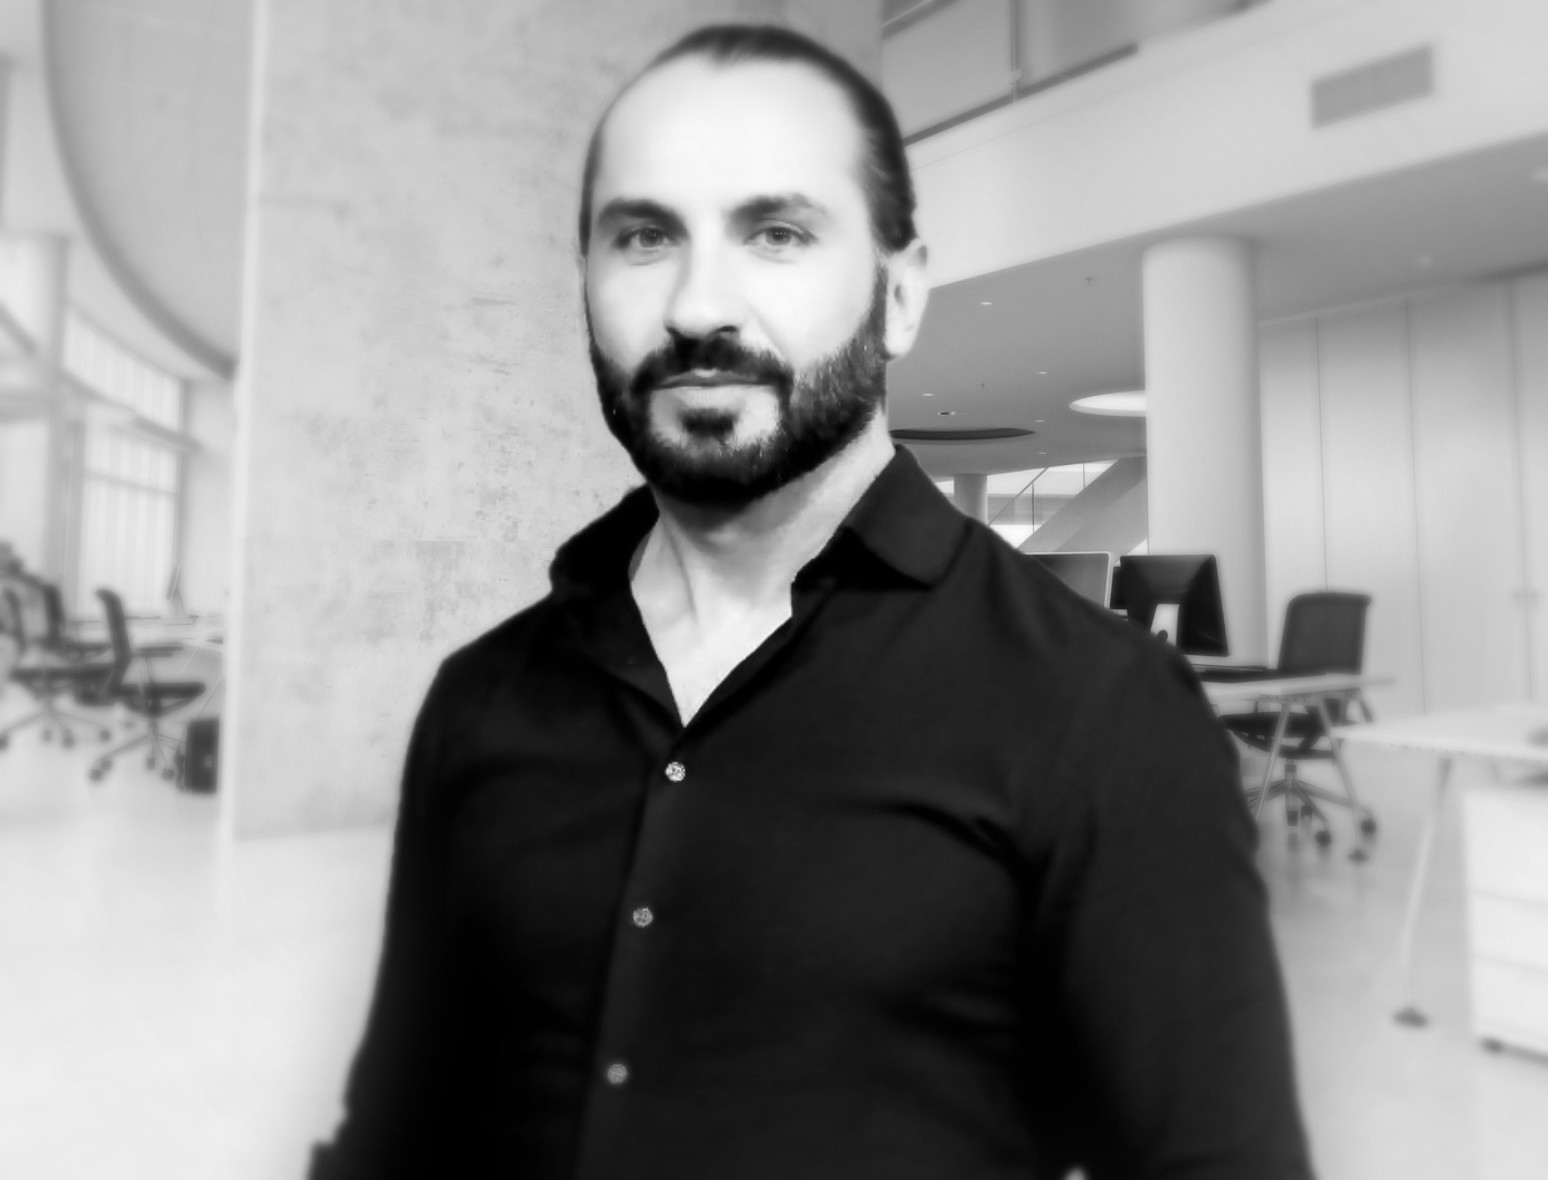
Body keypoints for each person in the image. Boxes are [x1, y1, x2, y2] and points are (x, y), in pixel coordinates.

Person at [312, 23, 1313, 1180]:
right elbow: (391, 1134)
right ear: (584, 282)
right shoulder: (481, 699)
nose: (697, 307)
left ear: (899, 295)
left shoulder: (1102, 711)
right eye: (643, 237)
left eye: (776, 232)